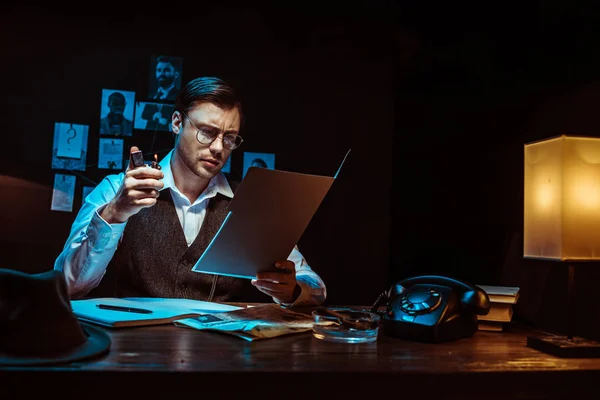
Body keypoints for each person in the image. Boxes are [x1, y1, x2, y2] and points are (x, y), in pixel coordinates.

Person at [54, 76, 326, 307]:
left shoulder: (250, 202)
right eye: (207, 132)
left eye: (229, 137)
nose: (219, 148)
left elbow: (314, 285)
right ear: (176, 123)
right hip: (135, 352)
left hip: (219, 356)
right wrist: (114, 213)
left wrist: (292, 290)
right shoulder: (116, 189)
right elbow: (68, 286)